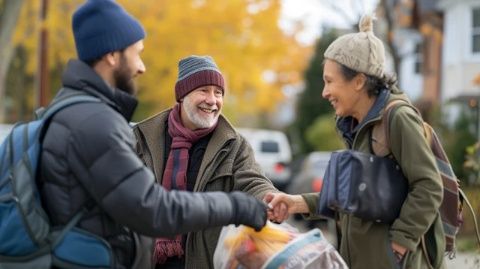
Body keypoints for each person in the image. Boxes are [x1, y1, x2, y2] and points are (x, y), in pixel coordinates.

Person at [39, 1, 268, 268]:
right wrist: (235, 206)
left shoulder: (71, 109)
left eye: (218, 92)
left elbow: (254, 182)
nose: (141, 67)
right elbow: (152, 208)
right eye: (136, 53)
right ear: (113, 55)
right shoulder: (97, 122)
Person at [266, 14, 445, 269]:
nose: (324, 92)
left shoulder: (398, 119)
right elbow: (351, 196)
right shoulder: (356, 126)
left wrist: (399, 243)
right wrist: (296, 202)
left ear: (359, 81)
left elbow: (429, 186)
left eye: (330, 81)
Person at [133, 55, 284, 268]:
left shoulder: (233, 145)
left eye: (218, 92)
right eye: (203, 90)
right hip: (146, 261)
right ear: (182, 95)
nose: (212, 100)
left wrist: (274, 199)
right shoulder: (142, 138)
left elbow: (253, 182)